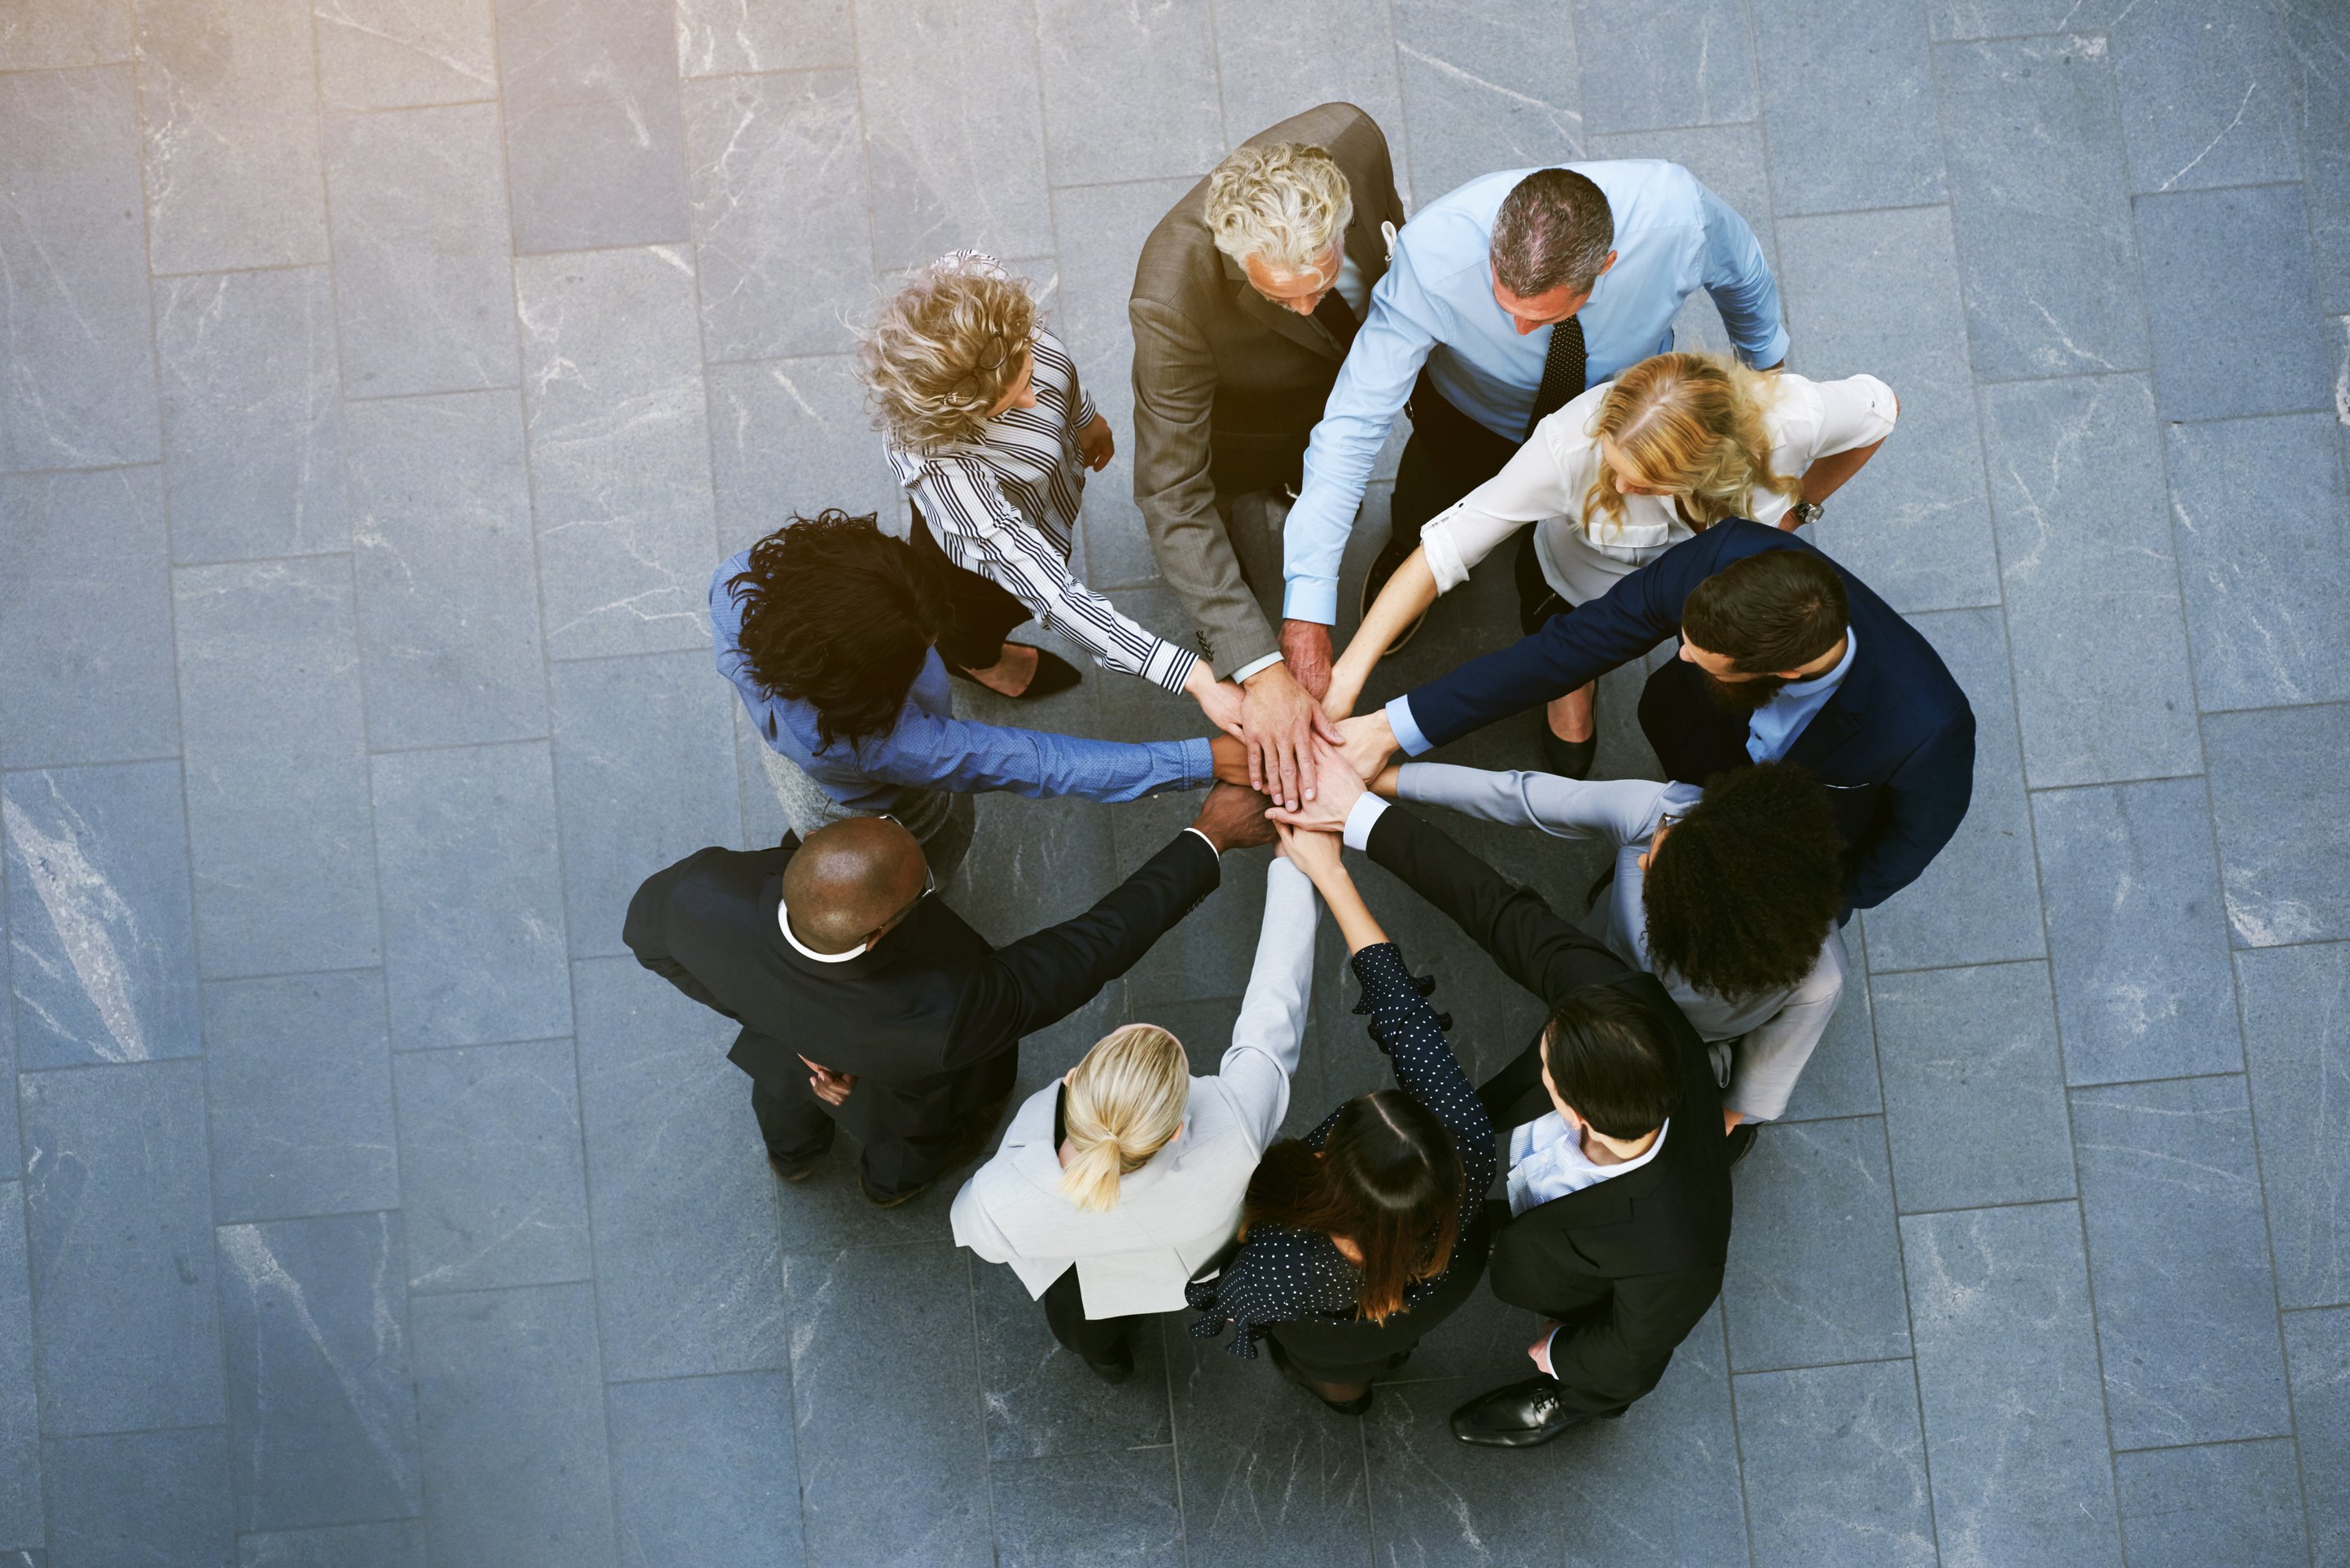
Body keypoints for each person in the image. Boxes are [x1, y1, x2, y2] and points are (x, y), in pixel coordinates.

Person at [1282, 759, 1731, 1448]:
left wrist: (1564, 1358)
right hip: (1539, 1214)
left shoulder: (1678, 1250)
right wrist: (1359, 816)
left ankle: (1570, 1406)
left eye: (1545, 1066)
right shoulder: (1621, 1004)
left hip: (1568, 1287)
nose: (1537, 1055)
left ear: (1573, 1111)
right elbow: (1498, 911)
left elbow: (1635, 1348)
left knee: (1599, 1379)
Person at [1272, 161, 1787, 738]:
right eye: (1505, 306)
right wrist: (1308, 604)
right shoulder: (1433, 256)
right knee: (1432, 489)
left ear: (1606, 265)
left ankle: (1568, 659)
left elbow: (1745, 277)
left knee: (1593, 541)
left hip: (1621, 424)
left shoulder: (1680, 217)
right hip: (1471, 413)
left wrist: (1766, 381)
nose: (1519, 331)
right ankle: (1407, 560)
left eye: (1543, 316)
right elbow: (1352, 422)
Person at [622, 782, 1275, 1209]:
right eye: (924, 889)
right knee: (913, 1141)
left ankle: (793, 1155)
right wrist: (1210, 836)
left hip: (781, 1053)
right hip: (900, 1092)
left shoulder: (695, 894)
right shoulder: (943, 1014)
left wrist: (777, 1024)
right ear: (878, 934)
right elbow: (1091, 948)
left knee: (785, 1097)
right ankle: (888, 1188)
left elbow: (647, 944)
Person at [1336, 523, 1975, 917]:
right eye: (1686, 639)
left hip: (1787, 836)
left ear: (1782, 671)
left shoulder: (1927, 732)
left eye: (1704, 658)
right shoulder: (1727, 555)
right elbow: (1570, 648)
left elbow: (1902, 852)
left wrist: (1793, 906)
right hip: (1698, 738)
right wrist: (1387, 728)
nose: (1682, 655)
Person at [1329, 353, 1897, 776]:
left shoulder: (1792, 418)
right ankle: (1573, 687)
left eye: (1645, 483)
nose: (1621, 488)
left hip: (1717, 596)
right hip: (1584, 594)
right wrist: (1348, 675)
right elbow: (1446, 548)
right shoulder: (1566, 448)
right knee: (1561, 652)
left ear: (1709, 463)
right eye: (1615, 467)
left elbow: (1880, 411)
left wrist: (1798, 510)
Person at [949, 850, 1319, 1382]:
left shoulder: (998, 1197)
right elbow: (1276, 1006)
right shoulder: (1235, 1130)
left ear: (1074, 1078)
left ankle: (1109, 1363)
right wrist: (1297, 867)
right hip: (1186, 1267)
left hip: (1080, 1282)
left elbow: (977, 1234)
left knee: (1087, 1333)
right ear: (1175, 1131)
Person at [714, 510, 1247, 880]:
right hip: (879, 806)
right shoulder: (890, 743)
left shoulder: (737, 586)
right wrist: (1203, 759)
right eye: (916, 655)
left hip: (804, 759)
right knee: (920, 867)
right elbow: (1042, 763)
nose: (934, 648)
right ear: (869, 679)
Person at [1129, 104, 1408, 811]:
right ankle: (1227, 604)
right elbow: (1172, 493)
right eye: (1281, 295)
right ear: (1234, 258)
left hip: (1325, 392)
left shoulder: (1354, 136)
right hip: (1244, 420)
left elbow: (1394, 236)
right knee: (1218, 505)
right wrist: (1256, 664)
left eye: (1321, 283)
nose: (1307, 305)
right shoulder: (1171, 294)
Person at [1366, 760, 1847, 1162]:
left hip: (1662, 1049)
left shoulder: (1817, 983)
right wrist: (1379, 779)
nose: (1641, 861)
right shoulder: (1667, 812)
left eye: (1660, 878)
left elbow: (1741, 1101)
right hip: (1591, 968)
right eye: (1664, 838)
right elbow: (1519, 796)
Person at [863, 252, 1244, 740]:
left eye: (1027, 372)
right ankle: (974, 663)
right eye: (1005, 406)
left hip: (1042, 507)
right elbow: (1053, 593)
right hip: (974, 572)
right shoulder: (940, 462)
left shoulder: (981, 287)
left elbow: (1054, 367)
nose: (1032, 400)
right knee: (976, 622)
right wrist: (1192, 677)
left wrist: (1083, 417)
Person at [1184, 821, 1497, 1415]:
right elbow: (1406, 1017)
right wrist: (1329, 872)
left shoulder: (1287, 1262)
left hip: (1343, 1329)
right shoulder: (1468, 1141)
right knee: (1390, 1345)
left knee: (1336, 1369)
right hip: (1449, 1277)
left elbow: (1236, 1299)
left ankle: (1343, 1398)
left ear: (1331, 1169)